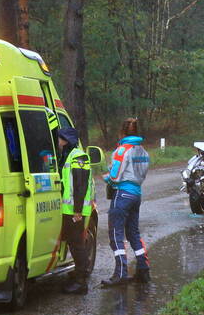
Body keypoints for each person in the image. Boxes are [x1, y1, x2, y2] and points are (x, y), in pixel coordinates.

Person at [102, 118, 150, 286]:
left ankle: (121, 273)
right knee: (133, 233)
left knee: (115, 234)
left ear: (122, 132)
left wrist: (106, 178)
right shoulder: (143, 151)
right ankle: (143, 270)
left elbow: (115, 176)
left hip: (122, 194)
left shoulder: (122, 150)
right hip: (136, 194)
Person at [55, 126, 94, 295]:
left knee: (77, 244)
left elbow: (80, 184)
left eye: (59, 138)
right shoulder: (68, 155)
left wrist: (77, 211)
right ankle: (79, 274)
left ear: (66, 139)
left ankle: (81, 282)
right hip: (69, 208)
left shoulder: (79, 156)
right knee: (73, 243)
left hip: (75, 210)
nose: (57, 141)